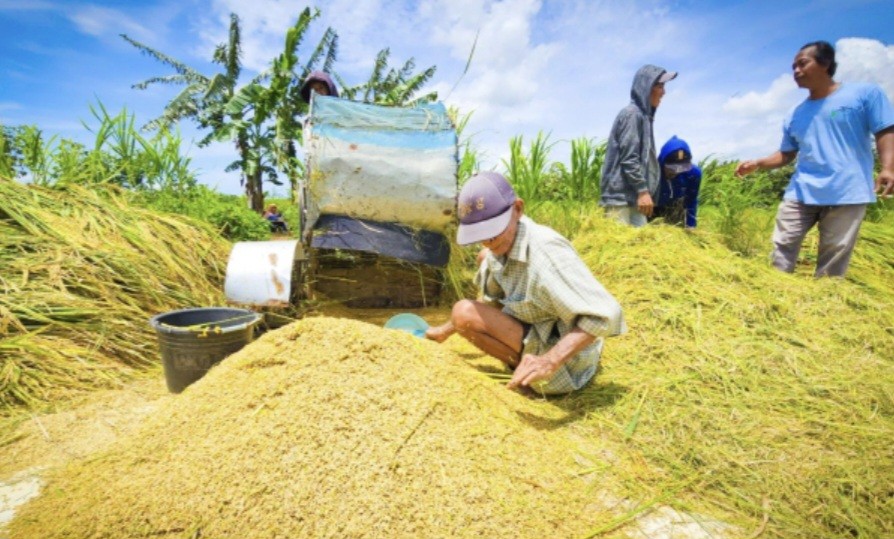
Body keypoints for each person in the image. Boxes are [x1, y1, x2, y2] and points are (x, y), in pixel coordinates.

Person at [425, 172, 626, 395]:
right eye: (479, 233)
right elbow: (489, 303)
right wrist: (446, 330)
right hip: (535, 327)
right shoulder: (499, 247)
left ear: (518, 209)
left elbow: (606, 314)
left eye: (493, 229)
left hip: (567, 360)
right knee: (484, 259)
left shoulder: (548, 257)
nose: (487, 240)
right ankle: (519, 361)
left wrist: (549, 361)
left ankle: (530, 378)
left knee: (463, 312)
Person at [735, 40, 894, 277]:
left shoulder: (863, 95)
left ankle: (823, 302)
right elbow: (787, 153)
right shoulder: (795, 114)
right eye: (793, 67)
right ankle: (776, 291)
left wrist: (888, 168)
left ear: (825, 63)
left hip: (847, 190)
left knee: (834, 252)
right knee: (782, 243)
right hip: (802, 190)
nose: (796, 71)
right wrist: (758, 163)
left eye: (802, 63)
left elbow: (884, 129)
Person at [600, 64, 678, 226]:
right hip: (620, 199)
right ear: (646, 87)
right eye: (659, 86)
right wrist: (642, 190)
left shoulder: (644, 118)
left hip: (633, 197)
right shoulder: (632, 115)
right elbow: (629, 158)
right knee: (619, 246)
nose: (664, 92)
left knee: (640, 245)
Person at [651, 135, 702, 228]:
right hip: (653, 206)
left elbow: (692, 199)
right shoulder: (652, 172)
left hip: (675, 206)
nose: (676, 171)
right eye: (671, 168)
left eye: (681, 168)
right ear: (663, 163)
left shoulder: (693, 174)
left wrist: (691, 224)